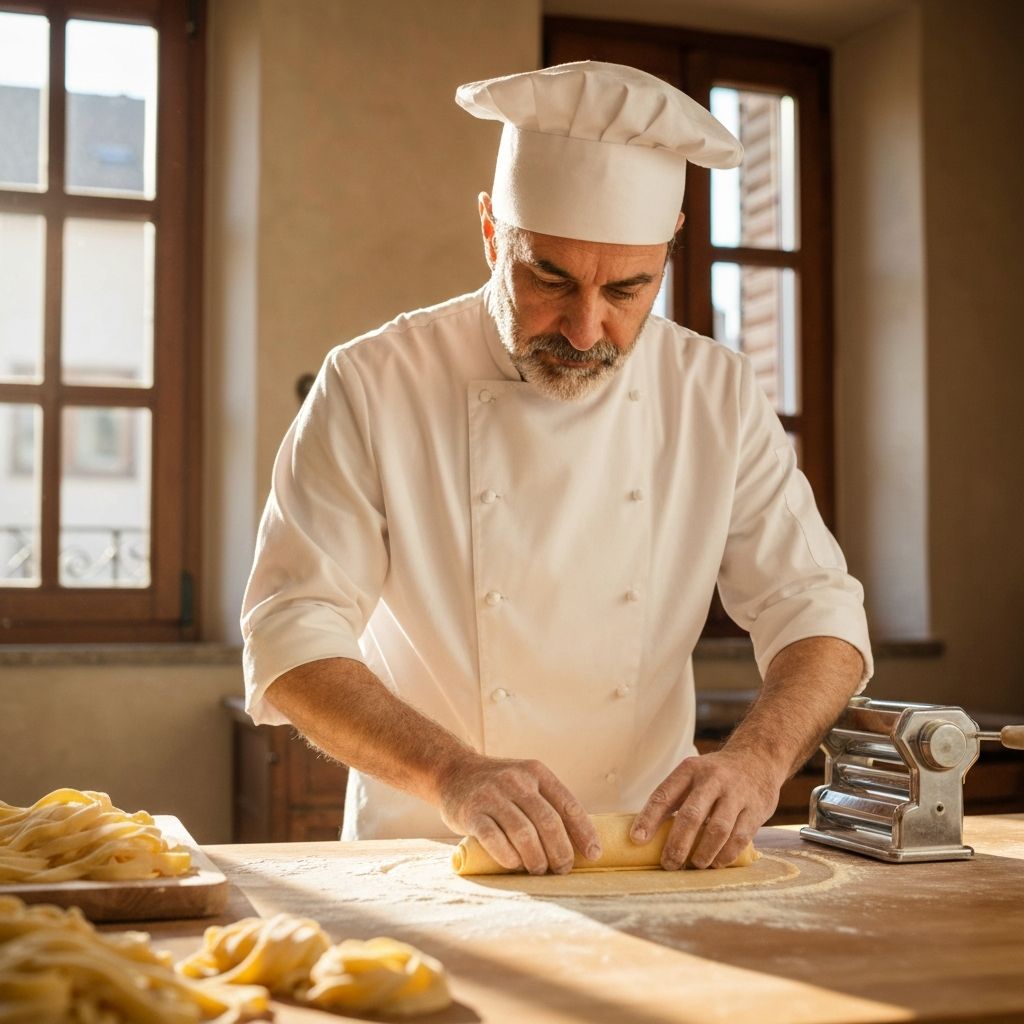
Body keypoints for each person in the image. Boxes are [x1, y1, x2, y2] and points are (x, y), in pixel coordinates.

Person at [241, 61, 872, 876]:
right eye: (551, 278)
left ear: (669, 252)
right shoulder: (373, 381)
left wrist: (757, 761)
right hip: (428, 857)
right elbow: (291, 631)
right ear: (491, 234)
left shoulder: (712, 390)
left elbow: (814, 605)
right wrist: (452, 773)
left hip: (651, 858)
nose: (584, 329)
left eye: (629, 289)